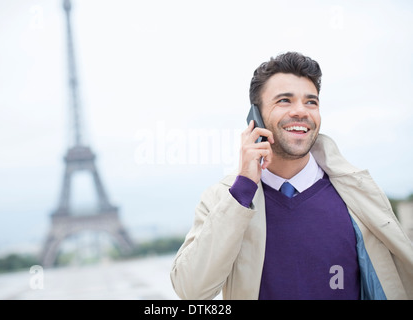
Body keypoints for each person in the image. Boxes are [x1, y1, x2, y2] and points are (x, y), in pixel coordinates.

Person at [170, 51, 413, 300]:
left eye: (311, 102)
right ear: (256, 116)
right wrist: (243, 189)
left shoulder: (357, 193)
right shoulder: (224, 199)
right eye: (284, 100)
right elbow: (191, 291)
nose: (301, 111)